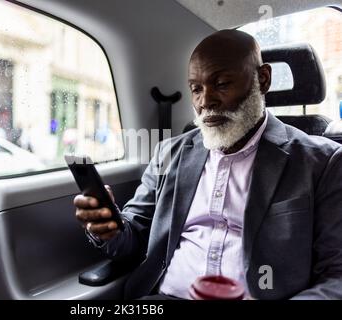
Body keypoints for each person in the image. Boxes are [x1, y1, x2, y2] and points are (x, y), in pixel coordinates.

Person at [73, 29, 342, 300]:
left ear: (263, 79)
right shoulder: (169, 153)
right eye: (196, 89)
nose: (206, 102)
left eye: (222, 84)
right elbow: (132, 239)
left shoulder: (322, 162)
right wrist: (109, 228)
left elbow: (337, 275)